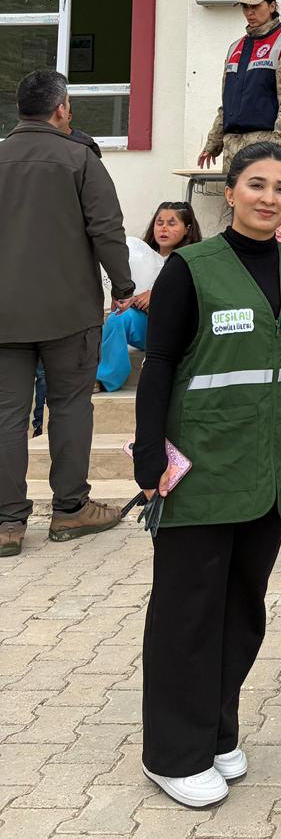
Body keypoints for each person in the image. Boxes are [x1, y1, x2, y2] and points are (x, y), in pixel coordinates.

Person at [134, 143, 281, 810]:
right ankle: (172, 754)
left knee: (241, 612)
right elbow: (158, 365)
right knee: (187, 614)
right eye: (255, 185)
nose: (268, 198)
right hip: (201, 470)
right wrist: (147, 455)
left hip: (269, 471)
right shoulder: (193, 267)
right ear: (231, 191)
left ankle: (215, 732)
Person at [0, 69, 136, 558]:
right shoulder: (79, 158)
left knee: (6, 416)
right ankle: (70, 508)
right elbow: (107, 229)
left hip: (4, 315)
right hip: (69, 312)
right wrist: (123, 286)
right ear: (61, 109)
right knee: (72, 406)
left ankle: (7, 523)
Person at [198, 0, 281, 170]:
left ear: (272, 6)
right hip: (233, 145)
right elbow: (228, 103)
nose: (249, 12)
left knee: (266, 198)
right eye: (245, 7)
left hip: (268, 143)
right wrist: (213, 143)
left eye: (255, 6)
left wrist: (278, 145)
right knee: (235, 199)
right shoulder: (236, 47)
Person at [96, 202, 203, 392]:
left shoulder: (194, 261)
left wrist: (157, 295)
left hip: (177, 334)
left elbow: (196, 303)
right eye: (159, 222)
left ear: (187, 229)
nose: (163, 228)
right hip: (147, 329)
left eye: (171, 223)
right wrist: (129, 299)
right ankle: (106, 379)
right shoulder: (140, 257)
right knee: (117, 318)